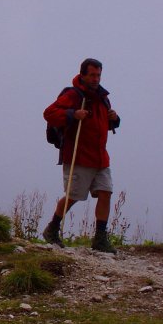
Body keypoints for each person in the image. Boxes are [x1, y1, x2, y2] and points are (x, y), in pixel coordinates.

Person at [42, 58, 121, 253]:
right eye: (93, 75)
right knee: (73, 195)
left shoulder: (102, 98)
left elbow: (103, 125)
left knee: (106, 192)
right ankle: (52, 229)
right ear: (83, 75)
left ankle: (100, 238)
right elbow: (49, 113)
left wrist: (115, 119)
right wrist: (72, 113)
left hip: (101, 157)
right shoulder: (74, 95)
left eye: (99, 75)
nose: (96, 79)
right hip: (78, 155)